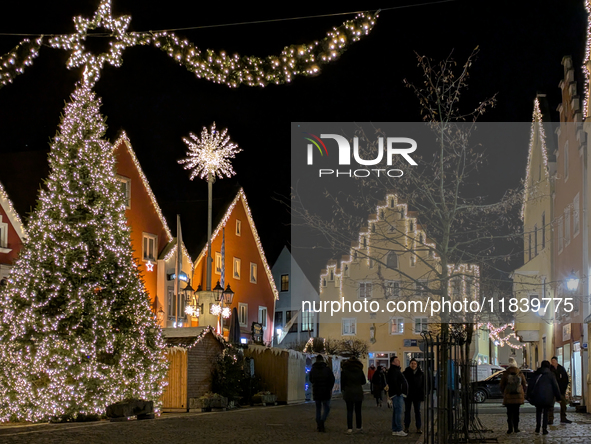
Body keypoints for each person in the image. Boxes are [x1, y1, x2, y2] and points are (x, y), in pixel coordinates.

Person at [527, 360, 561, 435]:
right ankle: (544, 428)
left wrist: (528, 395)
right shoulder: (551, 375)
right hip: (548, 397)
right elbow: (555, 386)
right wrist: (558, 397)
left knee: (538, 412)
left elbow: (531, 385)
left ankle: (537, 427)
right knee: (546, 412)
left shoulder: (536, 374)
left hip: (537, 396)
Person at [499, 357, 527, 434]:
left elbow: (501, 385)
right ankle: (516, 428)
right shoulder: (520, 373)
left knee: (509, 413)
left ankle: (510, 429)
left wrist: (504, 392)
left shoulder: (505, 374)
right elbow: (524, 384)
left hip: (508, 397)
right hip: (518, 397)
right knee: (516, 413)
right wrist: (522, 392)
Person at [309, 354, 335, 432]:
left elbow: (311, 379)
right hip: (326, 391)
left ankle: (318, 422)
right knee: (326, 407)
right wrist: (330, 388)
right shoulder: (327, 369)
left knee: (318, 408)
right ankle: (322, 421)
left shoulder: (313, 369)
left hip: (316, 391)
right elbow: (332, 379)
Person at [341, 356, 366, 434]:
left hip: (348, 391)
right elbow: (363, 381)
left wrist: (344, 389)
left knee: (349, 410)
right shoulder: (359, 370)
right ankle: (359, 427)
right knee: (358, 410)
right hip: (358, 391)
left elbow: (342, 382)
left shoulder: (345, 370)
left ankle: (350, 428)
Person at [387, 356, 409, 437]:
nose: (398, 361)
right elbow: (394, 382)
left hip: (397, 393)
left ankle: (395, 429)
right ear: (393, 362)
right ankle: (398, 429)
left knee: (396, 412)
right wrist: (399, 392)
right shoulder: (393, 371)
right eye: (396, 360)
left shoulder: (396, 370)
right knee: (398, 412)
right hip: (397, 394)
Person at [403, 358, 424, 434]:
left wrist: (423, 394)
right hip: (408, 395)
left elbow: (423, 384)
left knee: (417, 411)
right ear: (410, 364)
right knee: (407, 411)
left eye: (415, 364)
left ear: (417, 365)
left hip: (417, 395)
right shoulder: (405, 373)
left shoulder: (420, 374)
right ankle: (406, 427)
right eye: (412, 363)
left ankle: (418, 427)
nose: (413, 365)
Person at [549, 356, 571, 424]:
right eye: (552, 361)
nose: (553, 362)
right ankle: (550, 419)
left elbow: (565, 379)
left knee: (563, 404)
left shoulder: (561, 368)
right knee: (550, 405)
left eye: (554, 361)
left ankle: (563, 417)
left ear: (556, 361)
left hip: (560, 390)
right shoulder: (550, 369)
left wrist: (563, 388)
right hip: (552, 391)